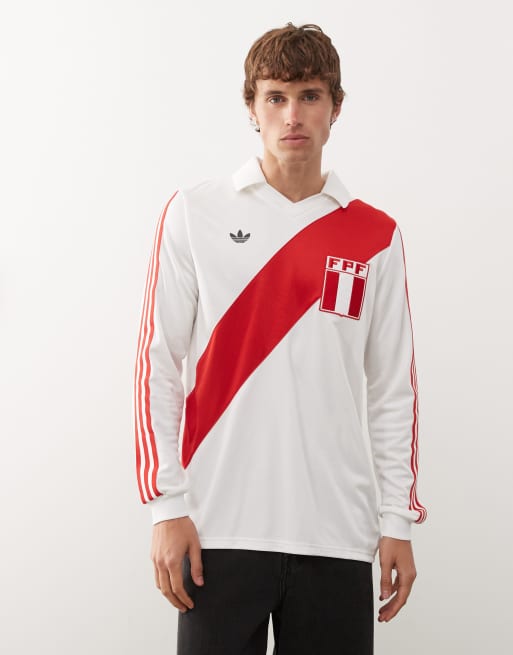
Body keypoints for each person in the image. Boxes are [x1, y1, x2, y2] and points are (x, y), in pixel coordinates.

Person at [134, 22, 427, 655]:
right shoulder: (195, 212)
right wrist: (166, 506)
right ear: (252, 106)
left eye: (310, 96)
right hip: (217, 529)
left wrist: (397, 520)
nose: (292, 115)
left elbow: (392, 389)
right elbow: (157, 366)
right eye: (276, 97)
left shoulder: (375, 235)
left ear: (335, 108)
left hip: (337, 534)